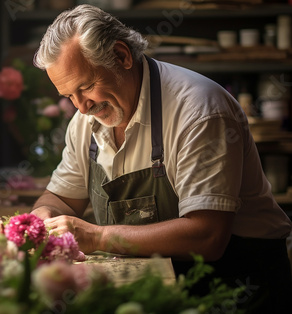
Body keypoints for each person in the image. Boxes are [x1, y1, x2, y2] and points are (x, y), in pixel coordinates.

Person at [30, 4, 292, 313]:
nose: (81, 107)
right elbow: (60, 197)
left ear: (121, 56)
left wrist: (95, 236)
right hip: (157, 287)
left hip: (234, 287)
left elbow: (208, 236)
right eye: (68, 96)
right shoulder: (86, 122)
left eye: (86, 87)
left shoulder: (198, 109)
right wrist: (44, 217)